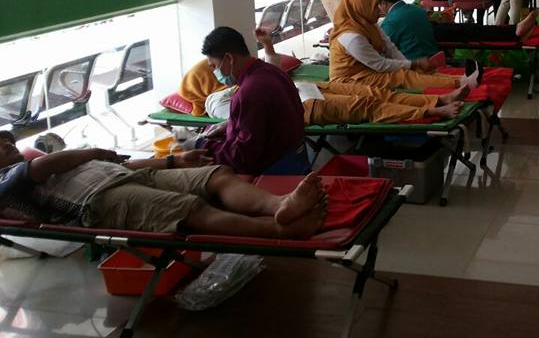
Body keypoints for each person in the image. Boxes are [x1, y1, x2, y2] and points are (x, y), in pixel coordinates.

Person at [0, 130, 329, 238]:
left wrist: (174, 161)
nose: (6, 144)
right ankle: (280, 230)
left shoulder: (49, 161)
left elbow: (122, 164)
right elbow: (46, 164)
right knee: (191, 210)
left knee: (216, 174)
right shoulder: (7, 181)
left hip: (127, 175)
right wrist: (94, 151)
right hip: (97, 201)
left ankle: (280, 205)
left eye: (6, 140)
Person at [246, 28, 467, 125]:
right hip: (298, 105)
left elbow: (274, 72)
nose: (376, 11)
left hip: (308, 87)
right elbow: (380, 63)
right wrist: (413, 65)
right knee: (367, 104)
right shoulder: (227, 99)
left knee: (377, 93)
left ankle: (439, 98)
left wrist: (268, 46)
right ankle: (431, 110)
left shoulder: (365, 26)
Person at [198, 27, 305, 175]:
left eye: (214, 66)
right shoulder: (274, 72)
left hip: (269, 171)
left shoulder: (248, 92)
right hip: (294, 159)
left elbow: (242, 157)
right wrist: (231, 124)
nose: (215, 72)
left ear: (229, 58)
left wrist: (202, 145)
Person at [327, 0, 479, 91]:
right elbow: (380, 64)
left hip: (367, 72)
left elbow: (389, 46)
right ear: (361, 9)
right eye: (375, 7)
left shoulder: (369, 24)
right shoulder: (352, 37)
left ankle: (460, 79)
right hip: (350, 80)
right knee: (402, 77)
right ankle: (459, 83)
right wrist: (412, 64)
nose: (379, 10)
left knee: (412, 72)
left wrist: (410, 66)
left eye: (379, 5)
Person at [378, 0, 539, 48]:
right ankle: (513, 31)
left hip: (431, 38)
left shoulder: (389, 23)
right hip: (434, 31)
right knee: (474, 30)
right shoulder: (413, 8)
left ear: (384, 3)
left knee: (473, 32)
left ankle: (514, 31)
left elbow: (384, 48)